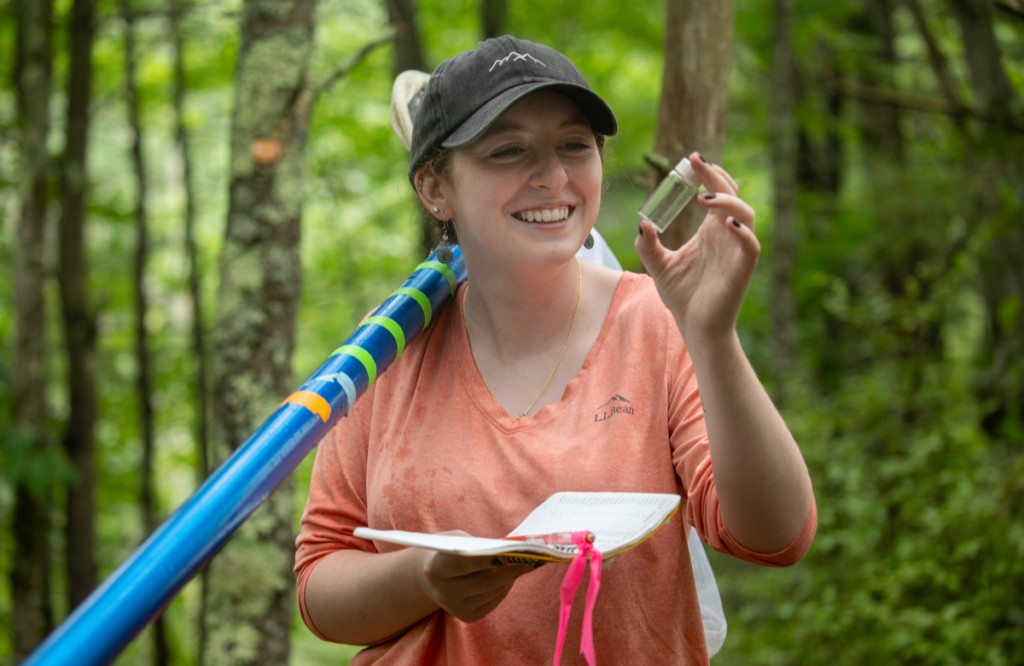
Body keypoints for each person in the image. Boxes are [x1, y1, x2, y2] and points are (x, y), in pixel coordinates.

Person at [295, 35, 816, 664]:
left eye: (574, 145)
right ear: (435, 187)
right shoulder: (391, 344)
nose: (552, 176)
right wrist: (420, 577)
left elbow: (776, 537)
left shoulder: (656, 322)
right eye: (508, 150)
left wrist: (712, 336)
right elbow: (320, 585)